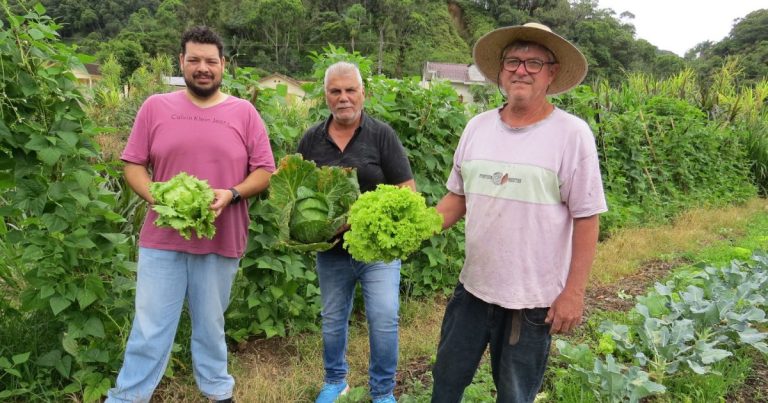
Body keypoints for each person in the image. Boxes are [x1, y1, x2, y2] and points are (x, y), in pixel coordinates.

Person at [430, 22, 607, 403]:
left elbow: (587, 217)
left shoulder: (571, 134)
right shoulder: (476, 127)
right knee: (444, 385)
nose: (521, 70)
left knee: (514, 396)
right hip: (473, 288)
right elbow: (456, 198)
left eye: (533, 62)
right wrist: (415, 227)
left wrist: (573, 293)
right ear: (500, 70)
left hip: (532, 301)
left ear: (551, 73)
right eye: (513, 61)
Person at [106, 26, 275, 403]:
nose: (203, 68)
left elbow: (264, 171)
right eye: (194, 60)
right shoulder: (155, 107)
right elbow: (133, 165)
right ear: (181, 62)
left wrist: (231, 194)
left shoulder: (244, 113)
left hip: (222, 236)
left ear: (223, 65)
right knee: (150, 327)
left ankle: (218, 391)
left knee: (211, 326)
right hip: (163, 240)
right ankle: (127, 396)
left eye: (210, 61)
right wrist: (161, 199)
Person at [297, 61, 415, 403]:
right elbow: (296, 192)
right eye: (336, 91)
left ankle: (382, 392)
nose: (343, 98)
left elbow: (407, 190)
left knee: (383, 318)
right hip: (331, 251)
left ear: (363, 93)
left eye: (350, 90)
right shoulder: (311, 139)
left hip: (377, 251)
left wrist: (362, 218)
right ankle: (335, 382)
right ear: (326, 96)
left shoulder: (382, 135)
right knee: (333, 319)